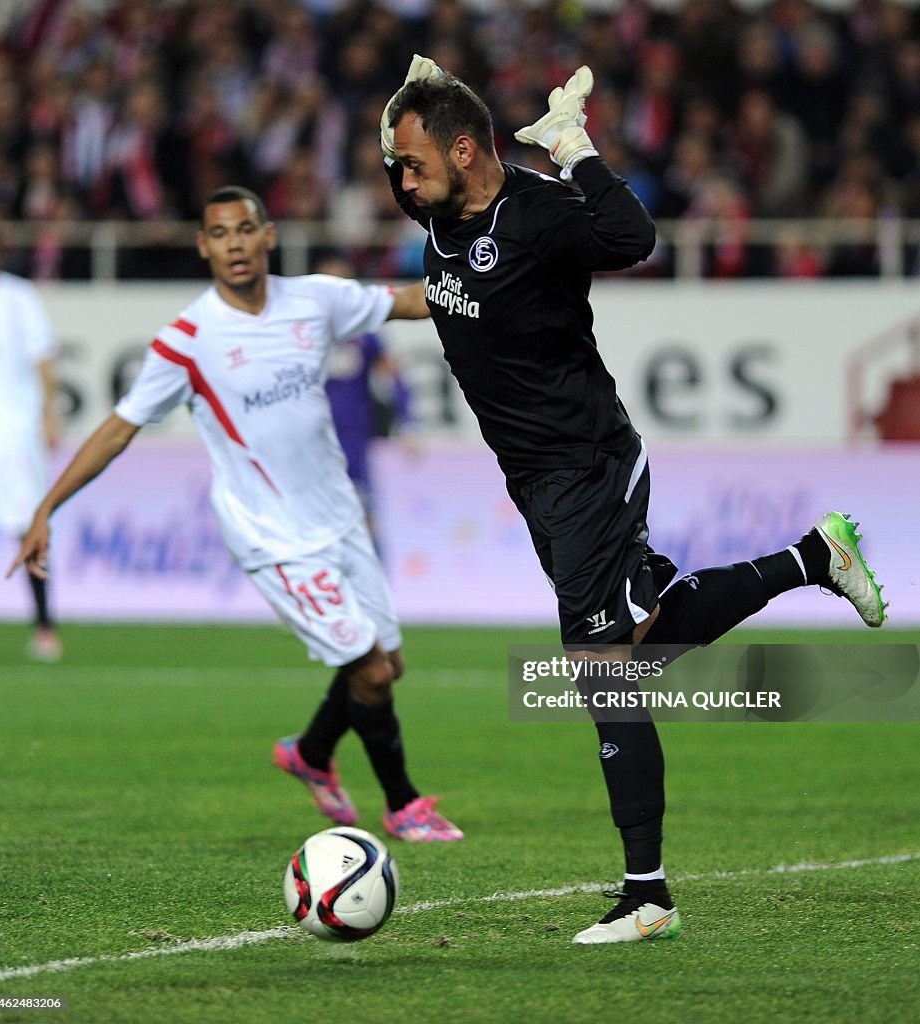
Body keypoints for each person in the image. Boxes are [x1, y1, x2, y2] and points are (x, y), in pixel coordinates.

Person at [380, 58, 887, 940]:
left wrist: (574, 147)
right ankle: (814, 554)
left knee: (601, 670)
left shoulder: (535, 215)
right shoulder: (445, 219)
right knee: (638, 648)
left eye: (413, 161)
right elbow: (451, 273)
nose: (401, 177)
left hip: (587, 463)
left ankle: (647, 893)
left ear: (465, 152)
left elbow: (630, 237)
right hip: (536, 482)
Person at [8, 185, 463, 844]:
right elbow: (117, 428)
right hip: (270, 534)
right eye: (219, 234)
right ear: (203, 246)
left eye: (245, 229)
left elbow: (412, 300)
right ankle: (403, 805)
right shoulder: (188, 340)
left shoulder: (314, 299)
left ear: (268, 235)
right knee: (366, 668)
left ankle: (309, 753)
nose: (235, 244)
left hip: (337, 514)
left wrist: (491, 271)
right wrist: (47, 505)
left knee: (387, 666)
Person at [0, 221, 63, 661]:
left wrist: (49, 415)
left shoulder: (18, 296)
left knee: (28, 528)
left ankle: (45, 623)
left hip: (12, 432)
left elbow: (44, 358)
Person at [313, 252, 416, 533]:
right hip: (308, 439)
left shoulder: (365, 334)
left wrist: (408, 422)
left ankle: (373, 573)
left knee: (364, 517)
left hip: (352, 439)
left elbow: (393, 375)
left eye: (340, 284)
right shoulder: (299, 335)